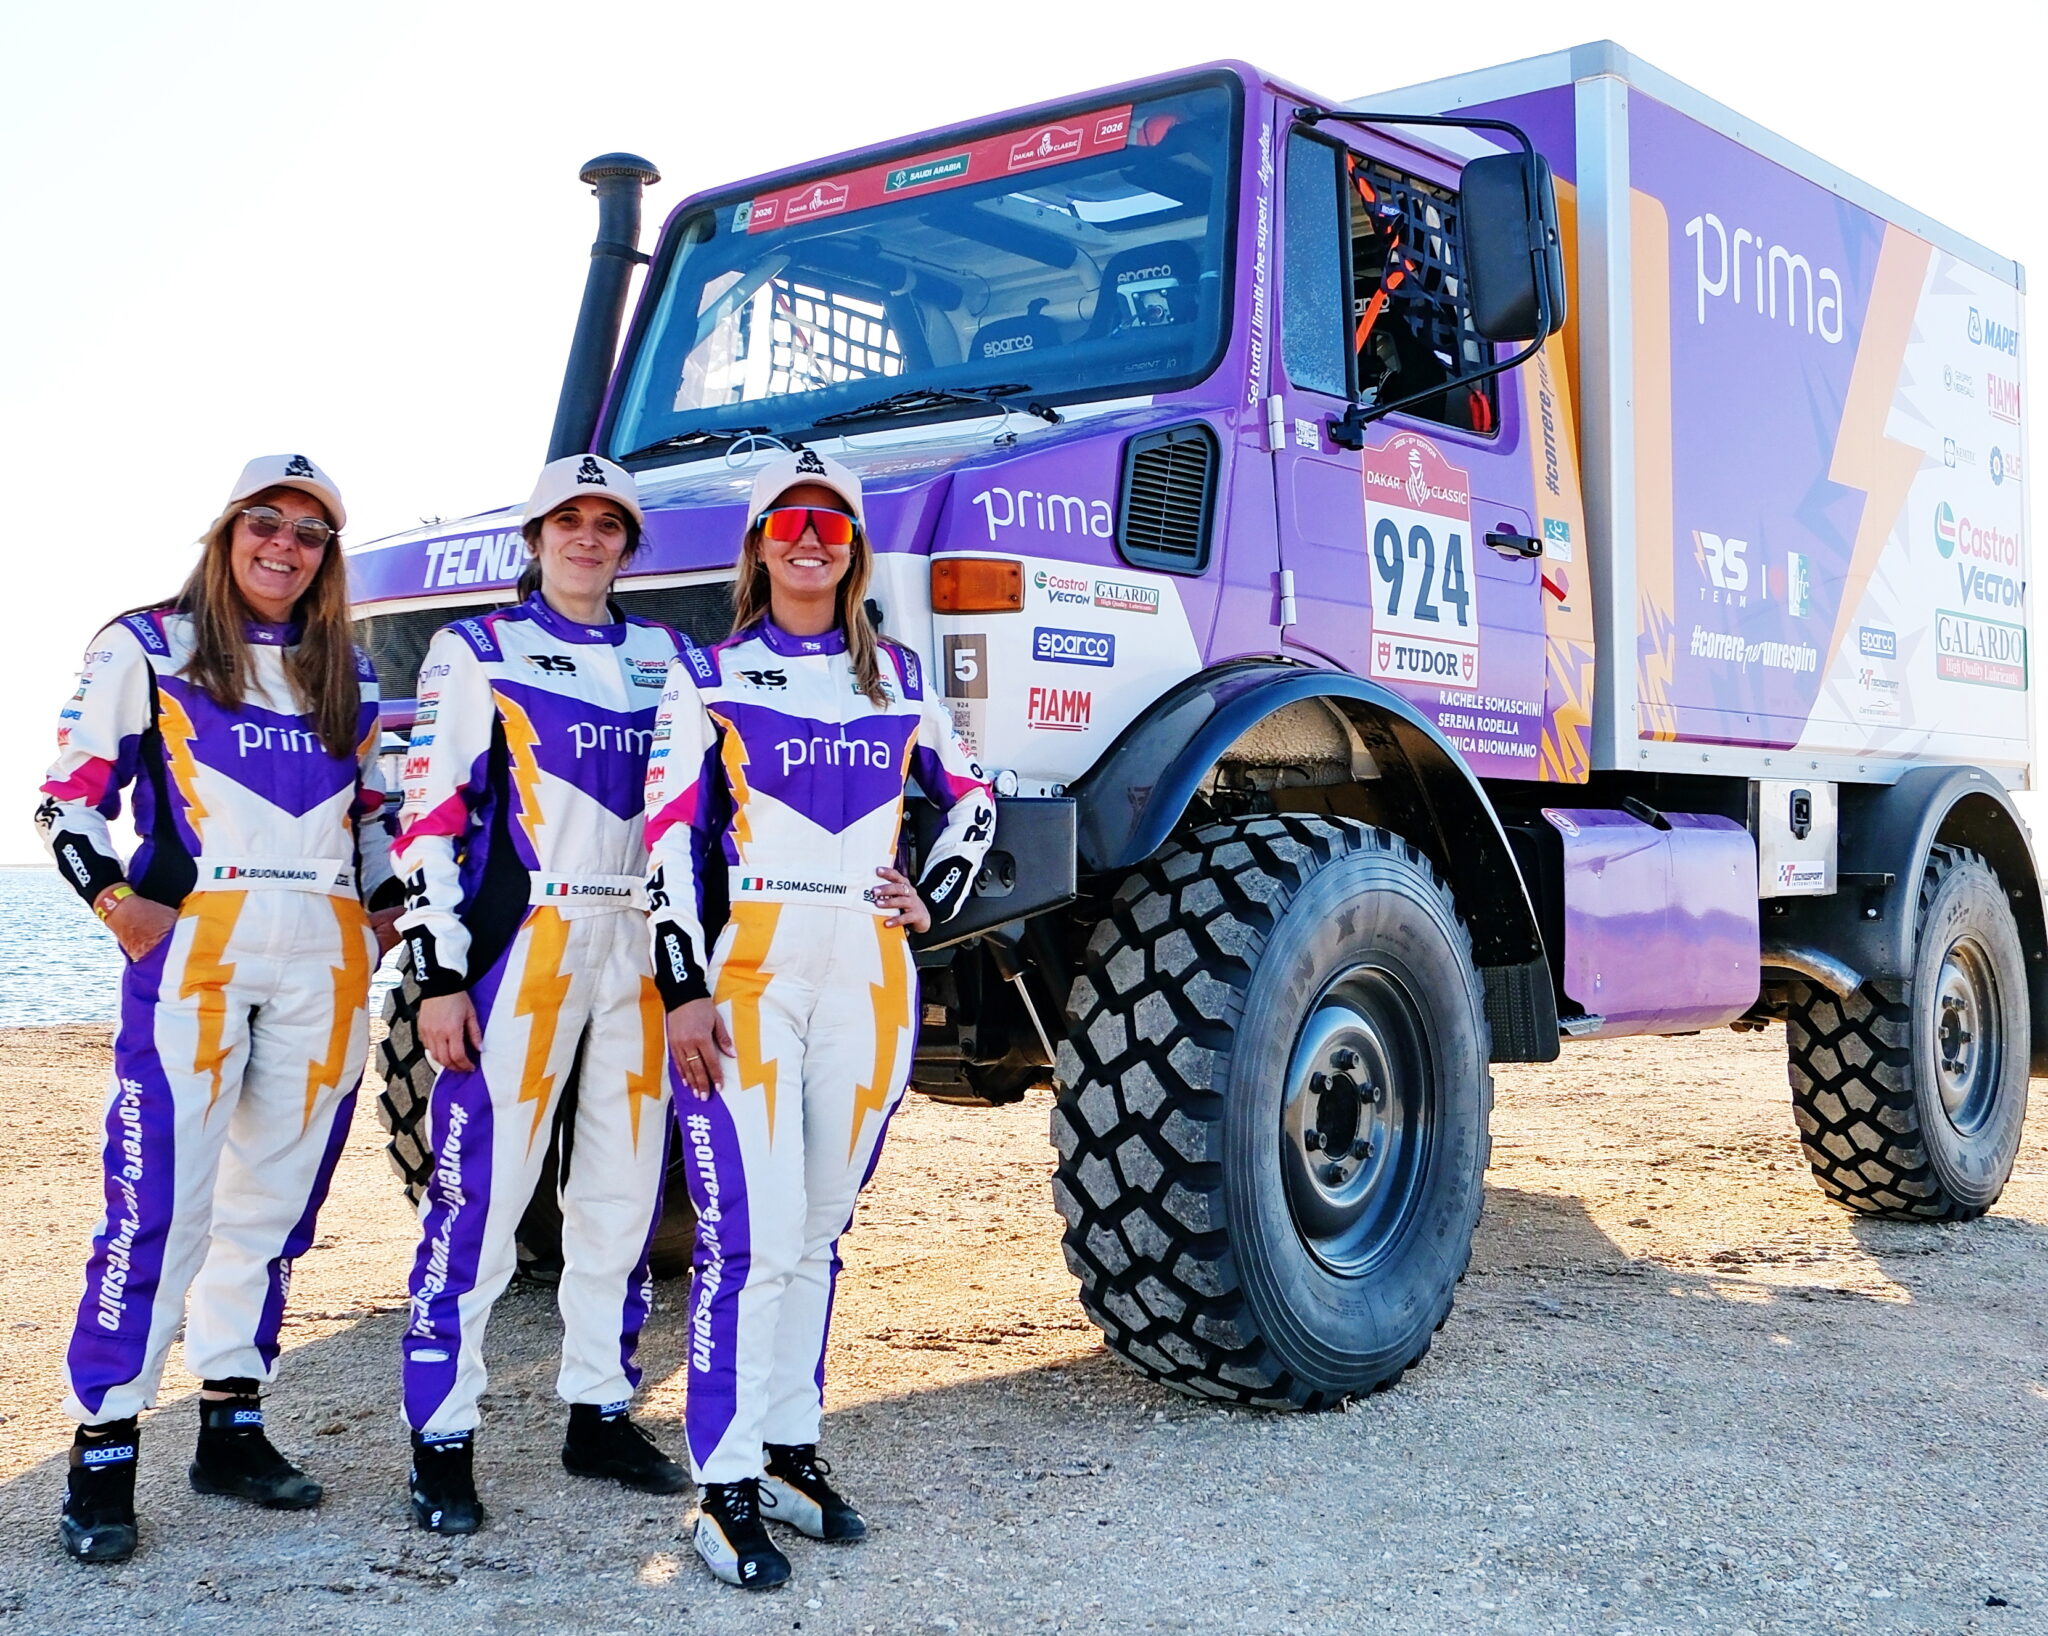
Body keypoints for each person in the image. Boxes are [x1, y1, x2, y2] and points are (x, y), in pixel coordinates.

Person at [35, 454, 403, 1564]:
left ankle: (231, 1426)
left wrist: (387, 911)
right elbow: (67, 796)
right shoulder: (145, 643)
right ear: (227, 529)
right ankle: (104, 1450)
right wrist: (118, 904)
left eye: (308, 531)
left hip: (325, 962)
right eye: (265, 522)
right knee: (157, 1205)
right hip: (197, 954)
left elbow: (376, 820)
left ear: (327, 555)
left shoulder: (351, 668)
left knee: (271, 1211)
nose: (283, 545)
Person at [644, 448, 996, 1590]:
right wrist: (681, 989)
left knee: (815, 1234)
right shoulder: (706, 674)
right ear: (759, 547)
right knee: (746, 1239)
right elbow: (666, 843)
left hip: (869, 977)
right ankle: (723, 1483)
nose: (810, 537)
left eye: (831, 523)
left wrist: (929, 894)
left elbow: (972, 798)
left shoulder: (896, 674)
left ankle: (788, 1453)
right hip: (749, 977)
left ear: (850, 549)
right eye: (789, 520)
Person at [392, 453, 688, 1535]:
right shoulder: (473, 650)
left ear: (626, 544)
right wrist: (434, 973)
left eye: (609, 524)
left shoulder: (670, 657)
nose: (588, 538)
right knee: (480, 1198)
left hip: (643, 947)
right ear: (535, 537)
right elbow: (427, 818)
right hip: (525, 945)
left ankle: (599, 1408)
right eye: (569, 520)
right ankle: (442, 1434)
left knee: (621, 1195)